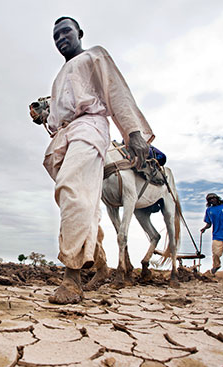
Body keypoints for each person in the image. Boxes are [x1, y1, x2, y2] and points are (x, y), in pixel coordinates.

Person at [43, 16, 155, 304]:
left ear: (79, 32)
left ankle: (72, 278)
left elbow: (115, 90)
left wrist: (133, 133)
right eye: (55, 35)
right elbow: (58, 115)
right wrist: (45, 116)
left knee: (72, 187)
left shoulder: (95, 55)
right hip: (63, 135)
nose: (60, 38)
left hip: (89, 126)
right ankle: (101, 265)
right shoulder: (59, 77)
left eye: (66, 31)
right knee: (82, 201)